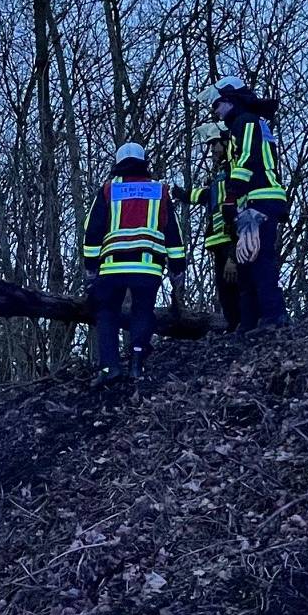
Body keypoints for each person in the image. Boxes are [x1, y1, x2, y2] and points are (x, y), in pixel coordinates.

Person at [81, 142, 187, 384]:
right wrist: (177, 269)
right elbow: (173, 233)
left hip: (112, 267)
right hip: (148, 267)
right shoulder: (159, 191)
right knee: (143, 310)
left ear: (118, 164)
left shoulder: (109, 190)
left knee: (107, 312)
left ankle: (110, 368)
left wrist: (90, 268)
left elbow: (92, 231)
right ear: (144, 162)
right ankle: (137, 364)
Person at [205, 76, 290, 333]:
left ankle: (274, 316)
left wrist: (231, 194)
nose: (215, 111)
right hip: (251, 200)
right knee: (246, 263)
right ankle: (250, 322)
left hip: (261, 197)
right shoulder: (241, 125)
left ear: (231, 99)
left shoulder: (247, 122)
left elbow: (247, 160)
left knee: (259, 259)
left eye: (218, 104)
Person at [181, 122, 243, 332]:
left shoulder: (234, 175)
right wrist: (181, 194)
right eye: (211, 145)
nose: (213, 150)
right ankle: (234, 329)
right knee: (226, 294)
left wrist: (233, 256)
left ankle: (242, 330)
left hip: (231, 244)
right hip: (221, 244)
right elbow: (207, 195)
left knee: (237, 292)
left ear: (227, 142)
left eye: (216, 143)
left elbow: (237, 214)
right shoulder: (221, 176)